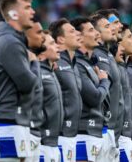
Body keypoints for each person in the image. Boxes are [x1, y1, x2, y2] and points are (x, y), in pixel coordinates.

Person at [0, 0, 38, 162]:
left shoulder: (12, 40)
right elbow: (28, 83)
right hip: (7, 123)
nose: (32, 12)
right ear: (13, 14)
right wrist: (34, 63)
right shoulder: (9, 42)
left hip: (13, 121)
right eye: (27, 7)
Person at [70, 17, 111, 162]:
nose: (97, 34)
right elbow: (94, 98)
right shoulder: (79, 65)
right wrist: (104, 81)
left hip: (97, 131)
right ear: (79, 36)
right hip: (84, 131)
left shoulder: (89, 64)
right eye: (91, 30)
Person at [49, 18, 83, 162]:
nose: (77, 33)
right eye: (72, 31)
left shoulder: (74, 64)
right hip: (59, 135)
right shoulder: (54, 63)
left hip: (72, 134)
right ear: (61, 39)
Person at [90, 14, 121, 161]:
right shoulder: (96, 54)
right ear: (97, 33)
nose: (113, 29)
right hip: (102, 128)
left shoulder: (107, 55)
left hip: (112, 129)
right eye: (107, 26)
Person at [111, 24, 132, 162]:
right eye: (130, 37)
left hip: (126, 136)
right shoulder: (115, 67)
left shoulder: (123, 68)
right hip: (116, 136)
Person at [38, 31, 63, 162]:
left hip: (54, 142)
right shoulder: (37, 72)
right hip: (42, 143)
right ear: (41, 52)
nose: (57, 46)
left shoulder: (51, 71)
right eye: (52, 43)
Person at [25, 21, 46, 162]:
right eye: (39, 32)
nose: (43, 36)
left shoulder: (34, 62)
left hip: (37, 133)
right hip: (22, 130)